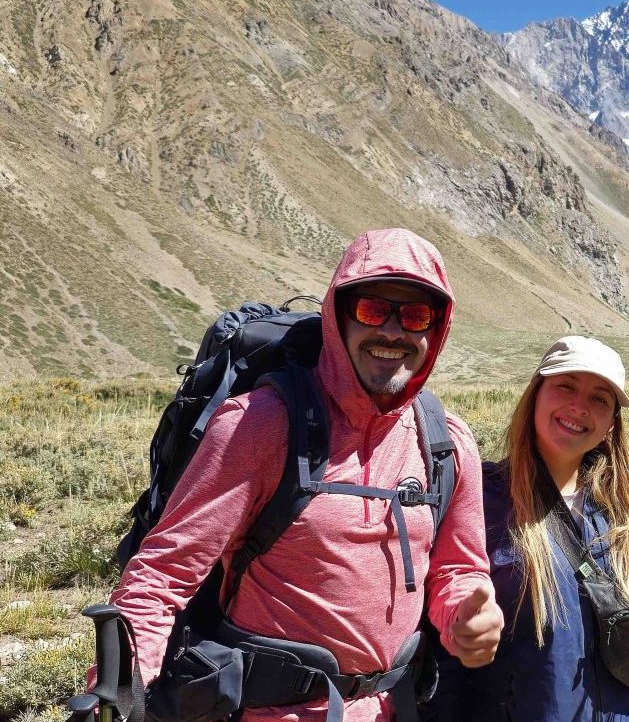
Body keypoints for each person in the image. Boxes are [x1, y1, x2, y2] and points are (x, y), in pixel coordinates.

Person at [109, 228, 504, 721]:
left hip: (392, 709)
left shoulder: (445, 441)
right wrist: (119, 698)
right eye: (372, 310)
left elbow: (458, 570)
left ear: (436, 329)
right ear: (338, 315)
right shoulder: (259, 423)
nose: (393, 331)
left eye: (416, 315)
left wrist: (467, 613)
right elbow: (160, 578)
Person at [426, 336, 629, 722]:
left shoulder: (627, 502)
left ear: (611, 423)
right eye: (565, 386)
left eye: (600, 398)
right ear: (535, 395)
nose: (580, 406)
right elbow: (445, 658)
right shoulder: (483, 497)